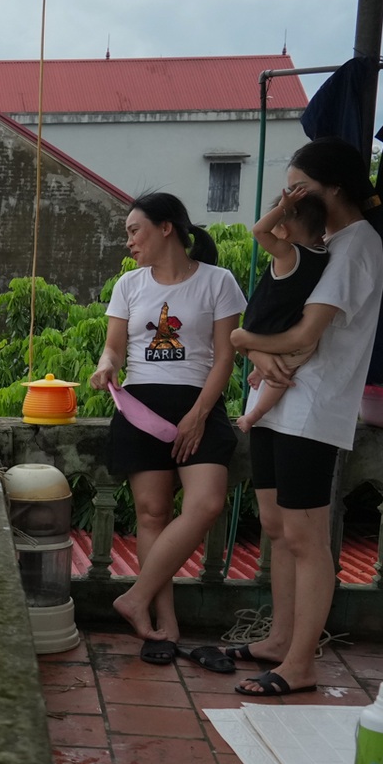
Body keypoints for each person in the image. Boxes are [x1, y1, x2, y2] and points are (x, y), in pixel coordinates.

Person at [230, 137, 383, 697]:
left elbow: (304, 334)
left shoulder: (357, 245)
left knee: (305, 535)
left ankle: (300, 664)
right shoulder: (319, 245)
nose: (291, 197)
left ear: (334, 189)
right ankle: (278, 641)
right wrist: (252, 348)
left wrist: (241, 338)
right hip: (278, 403)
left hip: (313, 406)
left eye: (300, 187)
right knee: (275, 527)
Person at [86, 192, 246, 664]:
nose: (129, 241)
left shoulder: (218, 281)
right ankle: (165, 625)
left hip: (199, 403)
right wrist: (105, 366)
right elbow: (114, 347)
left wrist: (198, 414)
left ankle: (134, 598)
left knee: (206, 503)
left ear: (166, 228)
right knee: (152, 513)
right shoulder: (129, 286)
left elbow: (225, 358)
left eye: (135, 230)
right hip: (141, 406)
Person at [237, 190, 331, 434]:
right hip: (285, 326)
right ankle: (259, 370)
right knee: (277, 367)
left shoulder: (290, 254)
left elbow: (258, 231)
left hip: (281, 336)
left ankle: (253, 416)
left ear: (284, 230)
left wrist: (282, 207)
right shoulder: (322, 254)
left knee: (279, 378)